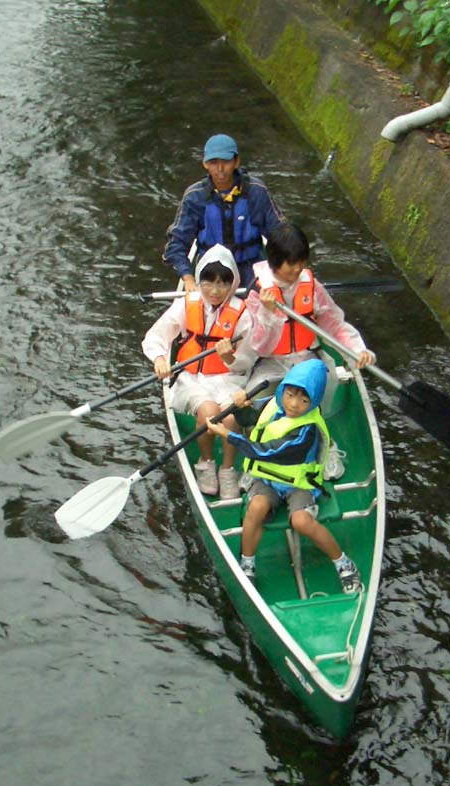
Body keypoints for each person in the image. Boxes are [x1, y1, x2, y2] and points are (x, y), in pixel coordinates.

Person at [206, 358, 362, 593]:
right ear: (282, 391)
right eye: (290, 395)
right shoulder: (273, 403)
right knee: (256, 507)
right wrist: (241, 407)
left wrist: (228, 435)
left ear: (314, 402)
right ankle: (247, 565)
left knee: (301, 521)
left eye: (304, 399)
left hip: (300, 485)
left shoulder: (307, 430)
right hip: (268, 480)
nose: (294, 404)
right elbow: (249, 418)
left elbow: (270, 451)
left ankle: (344, 564)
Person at [142, 245, 257, 497]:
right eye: (208, 283)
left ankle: (227, 470)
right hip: (192, 379)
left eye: (223, 284)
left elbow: (248, 358)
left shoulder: (242, 314)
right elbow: (156, 336)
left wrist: (230, 357)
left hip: (230, 379)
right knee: (209, 411)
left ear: (233, 283)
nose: (215, 291)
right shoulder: (186, 304)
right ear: (200, 280)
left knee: (230, 417)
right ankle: (206, 463)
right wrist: (160, 359)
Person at [245, 221, 377, 391]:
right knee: (257, 394)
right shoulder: (257, 292)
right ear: (275, 261)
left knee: (311, 387)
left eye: (301, 261)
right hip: (271, 364)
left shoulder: (313, 287)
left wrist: (357, 350)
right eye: (291, 263)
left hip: (308, 360)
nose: (298, 268)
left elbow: (335, 326)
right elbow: (256, 346)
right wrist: (267, 314)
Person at [163, 133, 284, 294]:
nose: (220, 169)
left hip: (251, 272)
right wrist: (188, 277)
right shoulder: (194, 197)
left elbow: (281, 235)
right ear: (205, 164)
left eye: (226, 162)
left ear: (236, 162)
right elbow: (177, 245)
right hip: (211, 274)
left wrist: (286, 268)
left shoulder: (256, 191)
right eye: (213, 163)